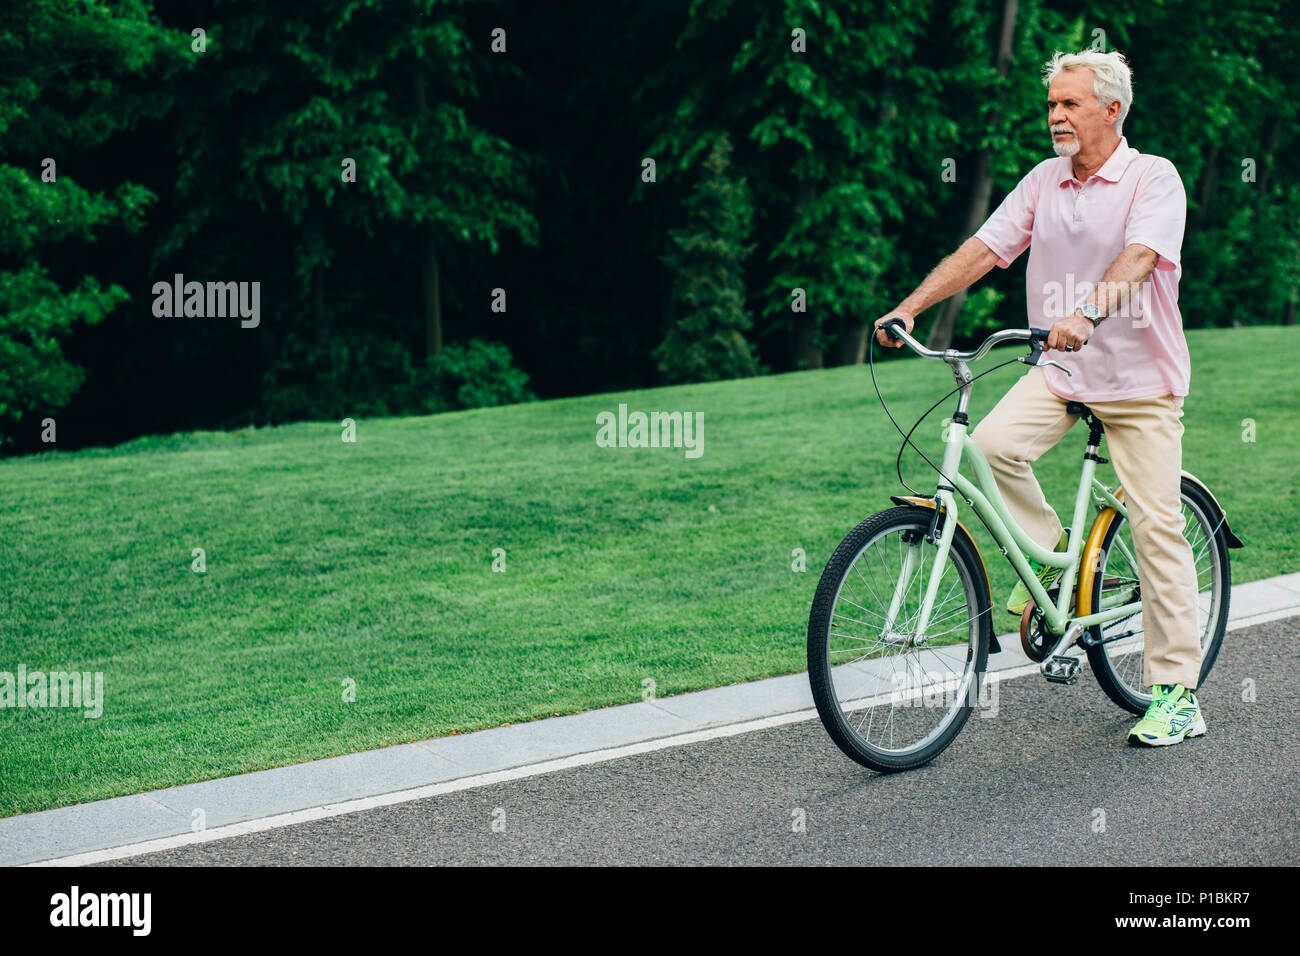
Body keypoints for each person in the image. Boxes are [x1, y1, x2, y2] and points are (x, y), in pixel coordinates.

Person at [872, 50, 1204, 747]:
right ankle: (1057, 558)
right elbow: (985, 249)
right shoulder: (1043, 181)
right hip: (1061, 371)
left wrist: (1086, 313)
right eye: (1051, 103)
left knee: (1155, 526)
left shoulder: (1153, 177)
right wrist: (910, 306)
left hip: (1140, 383)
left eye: (1070, 104)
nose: (1055, 115)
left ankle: (1177, 692)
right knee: (986, 451)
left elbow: (1140, 257)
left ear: (1111, 110)